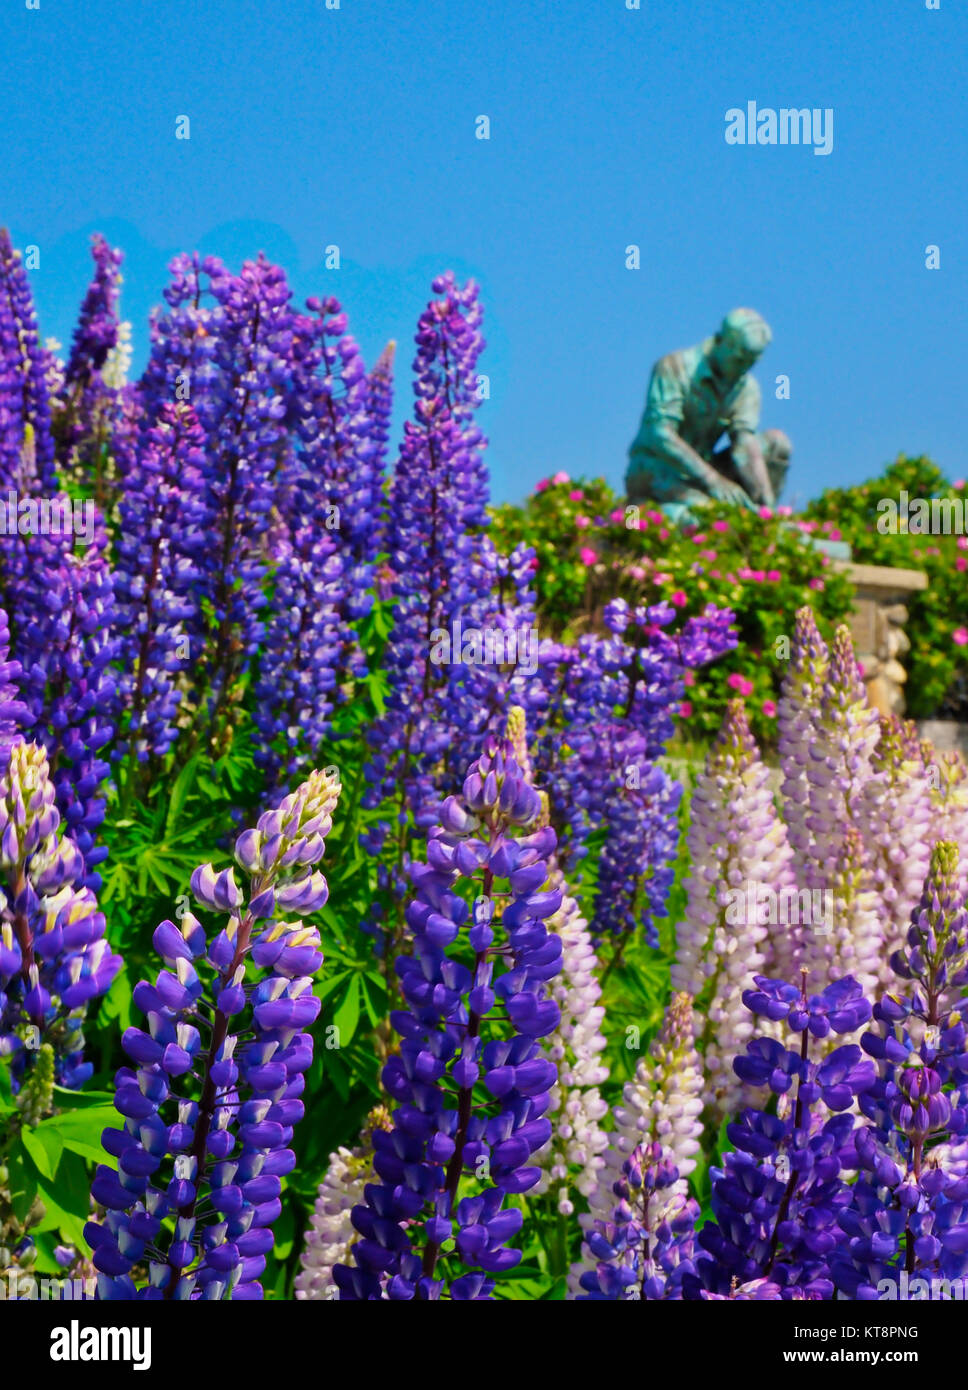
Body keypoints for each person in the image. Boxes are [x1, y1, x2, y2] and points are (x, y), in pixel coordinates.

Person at [626, 308, 791, 521]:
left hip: (704, 469)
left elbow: (744, 444)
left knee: (777, 444)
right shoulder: (673, 367)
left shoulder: (746, 387)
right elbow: (661, 434)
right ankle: (655, 513)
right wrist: (713, 480)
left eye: (751, 362)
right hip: (656, 470)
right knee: (708, 516)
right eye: (739, 359)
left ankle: (762, 522)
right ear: (720, 342)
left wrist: (765, 501)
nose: (743, 368)